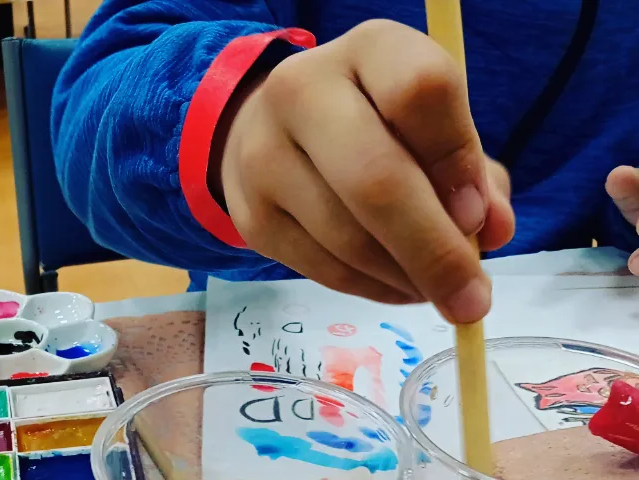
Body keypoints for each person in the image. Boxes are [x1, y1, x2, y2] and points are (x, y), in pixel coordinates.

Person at [52, 1, 639, 324]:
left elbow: (618, 196)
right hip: (279, 340)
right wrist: (233, 114)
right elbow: (93, 101)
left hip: (564, 342)